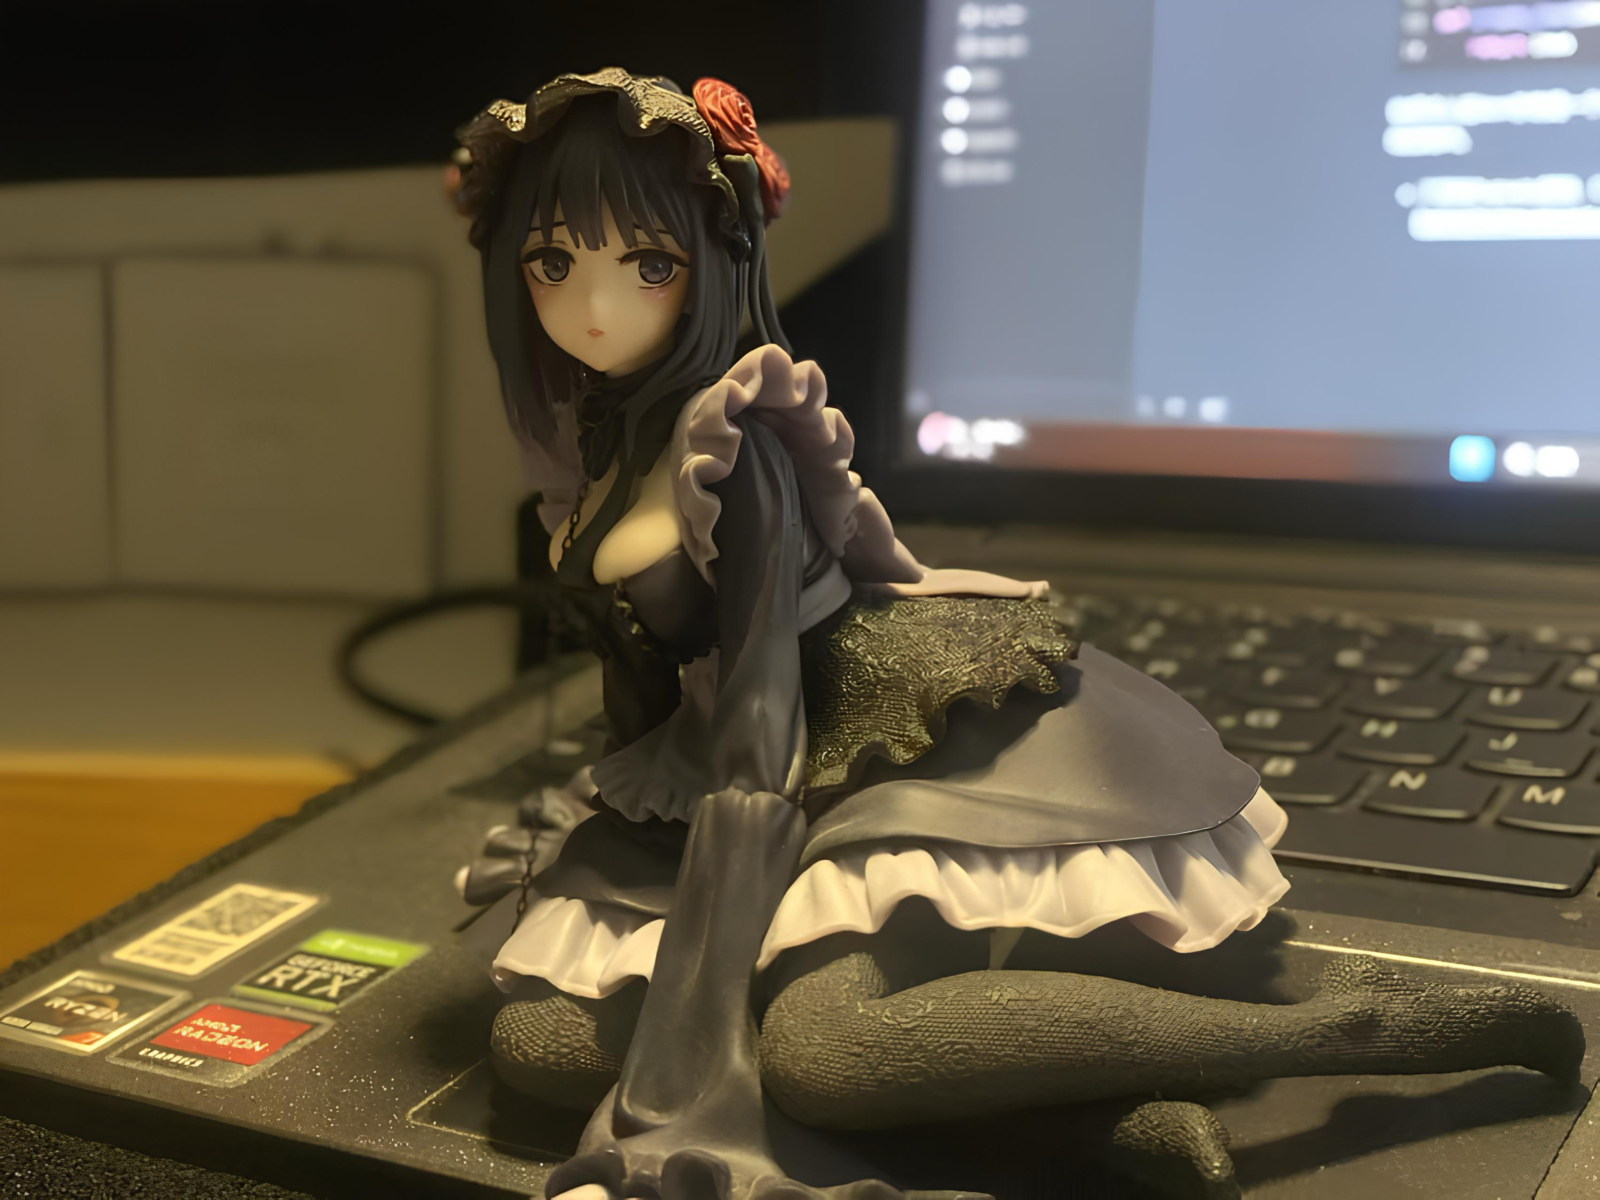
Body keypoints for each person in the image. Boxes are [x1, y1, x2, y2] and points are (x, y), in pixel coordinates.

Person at [450, 69, 1583, 1200]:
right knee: (540, 1047)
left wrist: (702, 996)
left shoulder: (732, 443)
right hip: (723, 768)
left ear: (715, 260)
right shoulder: (603, 440)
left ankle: (1341, 1031)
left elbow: (759, 712)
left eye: (648, 264)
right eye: (553, 262)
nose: (592, 306)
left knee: (820, 1057)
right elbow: (651, 682)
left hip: (853, 748)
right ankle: (1082, 1126)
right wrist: (591, 823)